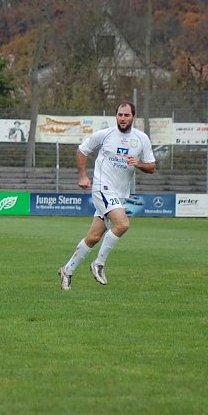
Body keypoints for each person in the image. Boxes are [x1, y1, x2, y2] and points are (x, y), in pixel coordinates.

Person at [58, 101, 156, 290]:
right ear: (116, 116)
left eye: (127, 115)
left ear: (133, 117)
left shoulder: (142, 139)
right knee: (123, 224)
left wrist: (138, 164)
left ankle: (67, 270)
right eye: (120, 115)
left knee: (94, 237)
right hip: (102, 187)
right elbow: (81, 150)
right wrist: (83, 175)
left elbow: (152, 166)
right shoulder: (105, 135)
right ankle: (99, 264)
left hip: (119, 194)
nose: (123, 118)